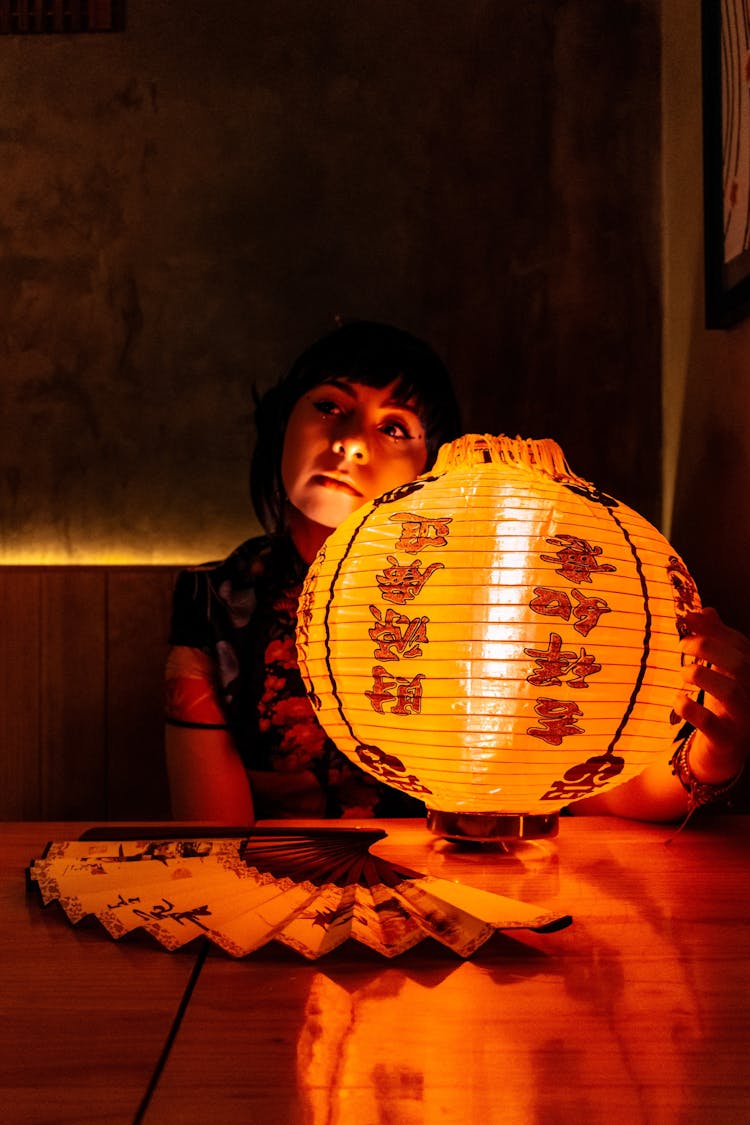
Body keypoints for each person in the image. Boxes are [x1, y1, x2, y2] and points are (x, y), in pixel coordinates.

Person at [165, 320, 750, 825]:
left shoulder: (487, 590)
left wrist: (712, 754)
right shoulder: (218, 599)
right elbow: (216, 836)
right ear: (281, 421)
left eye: (394, 427)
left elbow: (589, 788)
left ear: (434, 464)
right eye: (329, 407)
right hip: (278, 897)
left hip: (465, 892)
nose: (350, 444)